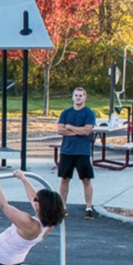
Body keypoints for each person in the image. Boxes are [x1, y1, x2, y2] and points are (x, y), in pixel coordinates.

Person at [55, 86, 97, 219]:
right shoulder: (66, 113)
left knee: (86, 180)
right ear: (73, 97)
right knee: (64, 179)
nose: (78, 97)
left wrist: (70, 127)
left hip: (82, 152)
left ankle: (89, 208)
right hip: (67, 151)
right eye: (76, 95)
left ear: (85, 97)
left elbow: (87, 131)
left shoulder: (89, 113)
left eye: (81, 95)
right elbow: (60, 130)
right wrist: (77, 131)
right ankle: (63, 207)